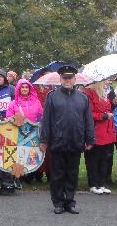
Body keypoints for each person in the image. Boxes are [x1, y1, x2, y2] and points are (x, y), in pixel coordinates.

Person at [40, 65, 95, 214]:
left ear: (75, 79)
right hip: (57, 142)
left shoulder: (83, 98)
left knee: (72, 174)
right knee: (57, 175)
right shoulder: (52, 97)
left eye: (70, 77)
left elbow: (88, 120)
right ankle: (58, 202)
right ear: (60, 79)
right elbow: (46, 121)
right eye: (65, 77)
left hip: (76, 142)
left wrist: (90, 139)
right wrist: (44, 140)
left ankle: (70, 202)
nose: (67, 80)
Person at [84, 81, 116, 195]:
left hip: (107, 132)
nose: (108, 82)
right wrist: (104, 116)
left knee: (104, 159)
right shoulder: (89, 93)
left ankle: (102, 183)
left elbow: (108, 108)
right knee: (93, 159)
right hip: (96, 132)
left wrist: (112, 106)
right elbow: (89, 113)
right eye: (105, 80)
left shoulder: (104, 94)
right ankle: (93, 184)